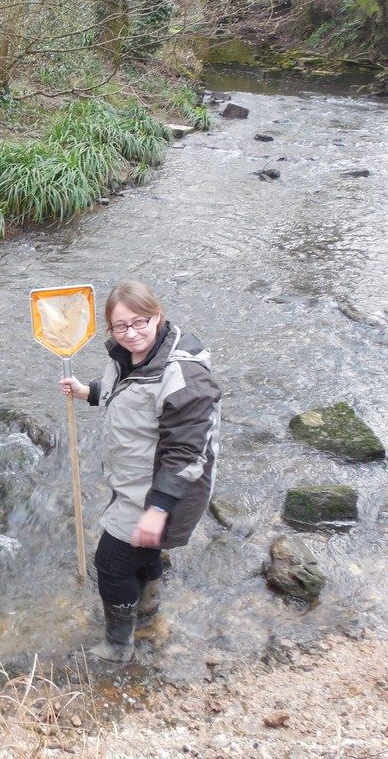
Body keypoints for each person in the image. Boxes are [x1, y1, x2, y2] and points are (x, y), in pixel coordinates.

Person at [60, 280, 220, 664]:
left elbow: (186, 452)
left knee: (112, 563)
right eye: (120, 326)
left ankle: (117, 648)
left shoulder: (185, 376)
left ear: (158, 315)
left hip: (164, 490)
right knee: (143, 554)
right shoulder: (128, 356)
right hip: (134, 482)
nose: (131, 333)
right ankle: (148, 607)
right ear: (110, 328)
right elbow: (128, 394)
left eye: (140, 322)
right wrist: (88, 392)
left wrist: (158, 509)